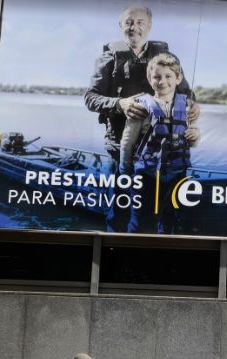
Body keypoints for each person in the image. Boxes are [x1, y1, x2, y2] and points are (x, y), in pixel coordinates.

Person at [83, 4, 199, 232]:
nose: (133, 27)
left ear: (149, 26)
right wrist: (119, 104)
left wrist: (194, 105)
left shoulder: (165, 58)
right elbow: (90, 98)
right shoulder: (107, 59)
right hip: (120, 148)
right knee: (121, 210)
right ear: (120, 26)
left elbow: (185, 93)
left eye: (139, 22)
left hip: (162, 157)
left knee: (164, 213)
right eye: (128, 22)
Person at [119, 53, 200, 234]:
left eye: (168, 76)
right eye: (157, 76)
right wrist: (125, 171)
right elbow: (127, 141)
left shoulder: (186, 107)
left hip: (177, 176)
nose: (162, 81)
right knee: (140, 222)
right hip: (146, 175)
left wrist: (195, 135)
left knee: (171, 221)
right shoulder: (141, 106)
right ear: (150, 79)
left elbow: (193, 139)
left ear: (178, 78)